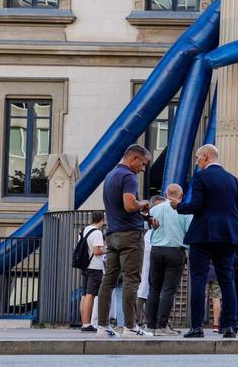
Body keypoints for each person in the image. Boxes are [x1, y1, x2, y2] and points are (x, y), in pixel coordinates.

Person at [178, 144, 238, 339]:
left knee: (198, 279)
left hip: (203, 234)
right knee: (227, 279)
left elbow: (196, 205)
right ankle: (229, 326)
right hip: (227, 236)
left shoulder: (201, 177)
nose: (197, 162)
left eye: (198, 158)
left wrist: (179, 206)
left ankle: (197, 327)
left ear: (206, 157)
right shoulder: (235, 181)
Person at [97, 144, 155, 338]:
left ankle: (103, 326)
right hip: (130, 237)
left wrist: (145, 217)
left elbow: (120, 208)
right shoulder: (128, 176)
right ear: (133, 159)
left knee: (108, 281)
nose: (143, 168)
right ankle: (130, 326)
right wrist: (145, 203)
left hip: (113, 235)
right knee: (132, 280)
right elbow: (129, 205)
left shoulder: (110, 176)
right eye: (143, 163)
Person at [146, 184, 191, 335]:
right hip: (175, 251)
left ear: (165, 193)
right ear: (181, 195)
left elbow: (147, 225)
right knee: (168, 290)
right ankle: (162, 325)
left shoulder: (155, 209)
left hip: (156, 250)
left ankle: (150, 324)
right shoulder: (184, 210)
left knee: (154, 288)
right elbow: (189, 232)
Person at [78, 211, 107, 333]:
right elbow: (96, 251)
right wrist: (107, 250)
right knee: (91, 295)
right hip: (95, 267)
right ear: (102, 220)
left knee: (84, 295)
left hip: (85, 266)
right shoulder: (97, 233)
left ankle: (84, 322)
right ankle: (86, 324)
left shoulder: (84, 230)